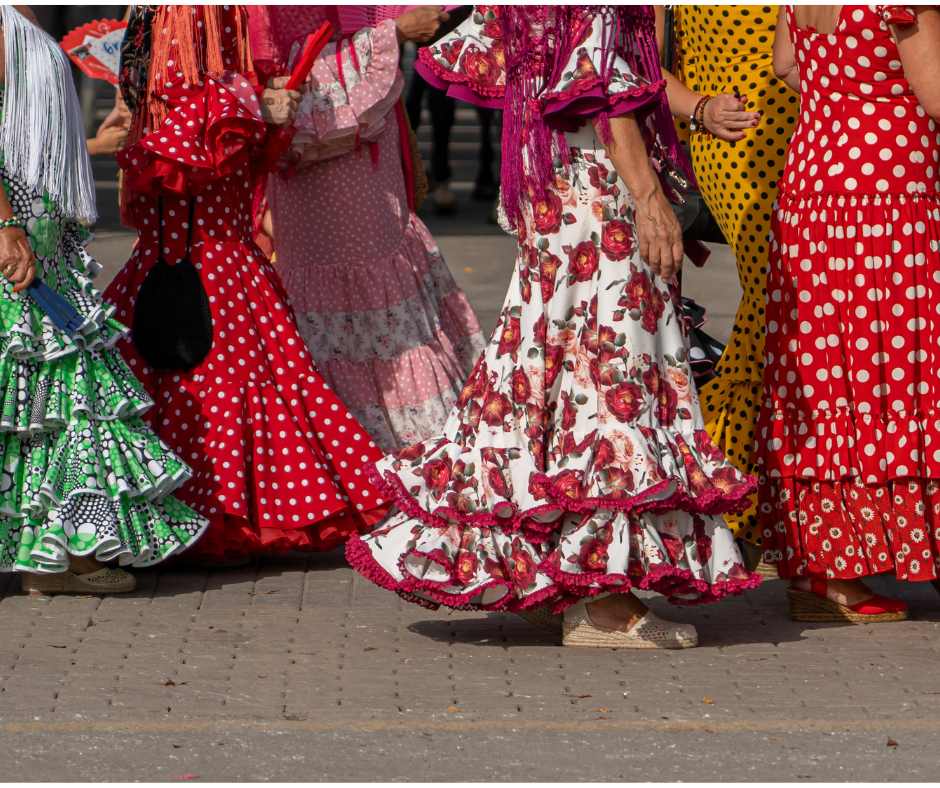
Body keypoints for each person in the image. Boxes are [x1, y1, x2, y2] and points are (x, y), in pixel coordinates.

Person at [347, 6, 760, 649]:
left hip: (561, 195)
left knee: (552, 369)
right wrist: (650, 198)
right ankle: (603, 604)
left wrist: (699, 108)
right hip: (598, 195)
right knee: (609, 369)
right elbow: (599, 91)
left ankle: (551, 572)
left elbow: (618, 73)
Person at [104, 6, 390, 564]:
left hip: (215, 256)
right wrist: (254, 104)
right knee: (221, 375)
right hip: (200, 262)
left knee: (241, 376)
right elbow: (181, 137)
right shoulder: (191, 18)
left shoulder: (205, 30)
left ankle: (216, 514)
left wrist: (259, 102)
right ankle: (217, 514)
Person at [0, 5, 207, 594]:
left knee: (46, 403)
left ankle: (52, 554)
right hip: (23, 253)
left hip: (42, 245)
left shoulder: (18, 23)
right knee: (63, 396)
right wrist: (5, 224)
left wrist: (88, 145)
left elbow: (22, 142)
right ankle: (66, 554)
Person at [758, 4, 940, 622]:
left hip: (814, 174)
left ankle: (827, 571)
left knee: (825, 365)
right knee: (895, 363)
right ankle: (901, 546)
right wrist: (878, 101)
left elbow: (786, 64)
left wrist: (844, 95)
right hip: (890, 187)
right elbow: (936, 91)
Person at [249, 5, 485, 454]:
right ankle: (353, 453)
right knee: (334, 279)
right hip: (313, 129)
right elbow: (283, 53)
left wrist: (388, 34)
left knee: (376, 273)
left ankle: (396, 450)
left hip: (357, 142)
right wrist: (391, 32)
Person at [656, 6, 798, 563]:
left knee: (791, 324)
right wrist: (699, 108)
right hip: (743, 143)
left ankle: (766, 511)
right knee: (775, 314)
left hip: (823, 139)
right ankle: (722, 503)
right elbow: (634, 61)